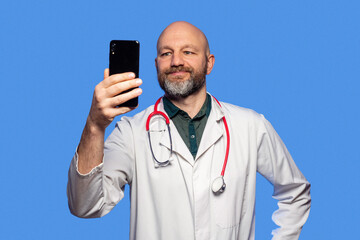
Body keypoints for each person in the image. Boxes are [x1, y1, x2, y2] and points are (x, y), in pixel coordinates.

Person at [67, 21, 311, 240]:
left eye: (188, 52)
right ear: (156, 64)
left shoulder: (250, 126)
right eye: (166, 53)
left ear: (209, 63)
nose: (176, 61)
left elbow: (295, 192)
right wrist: (95, 125)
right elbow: (86, 206)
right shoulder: (130, 132)